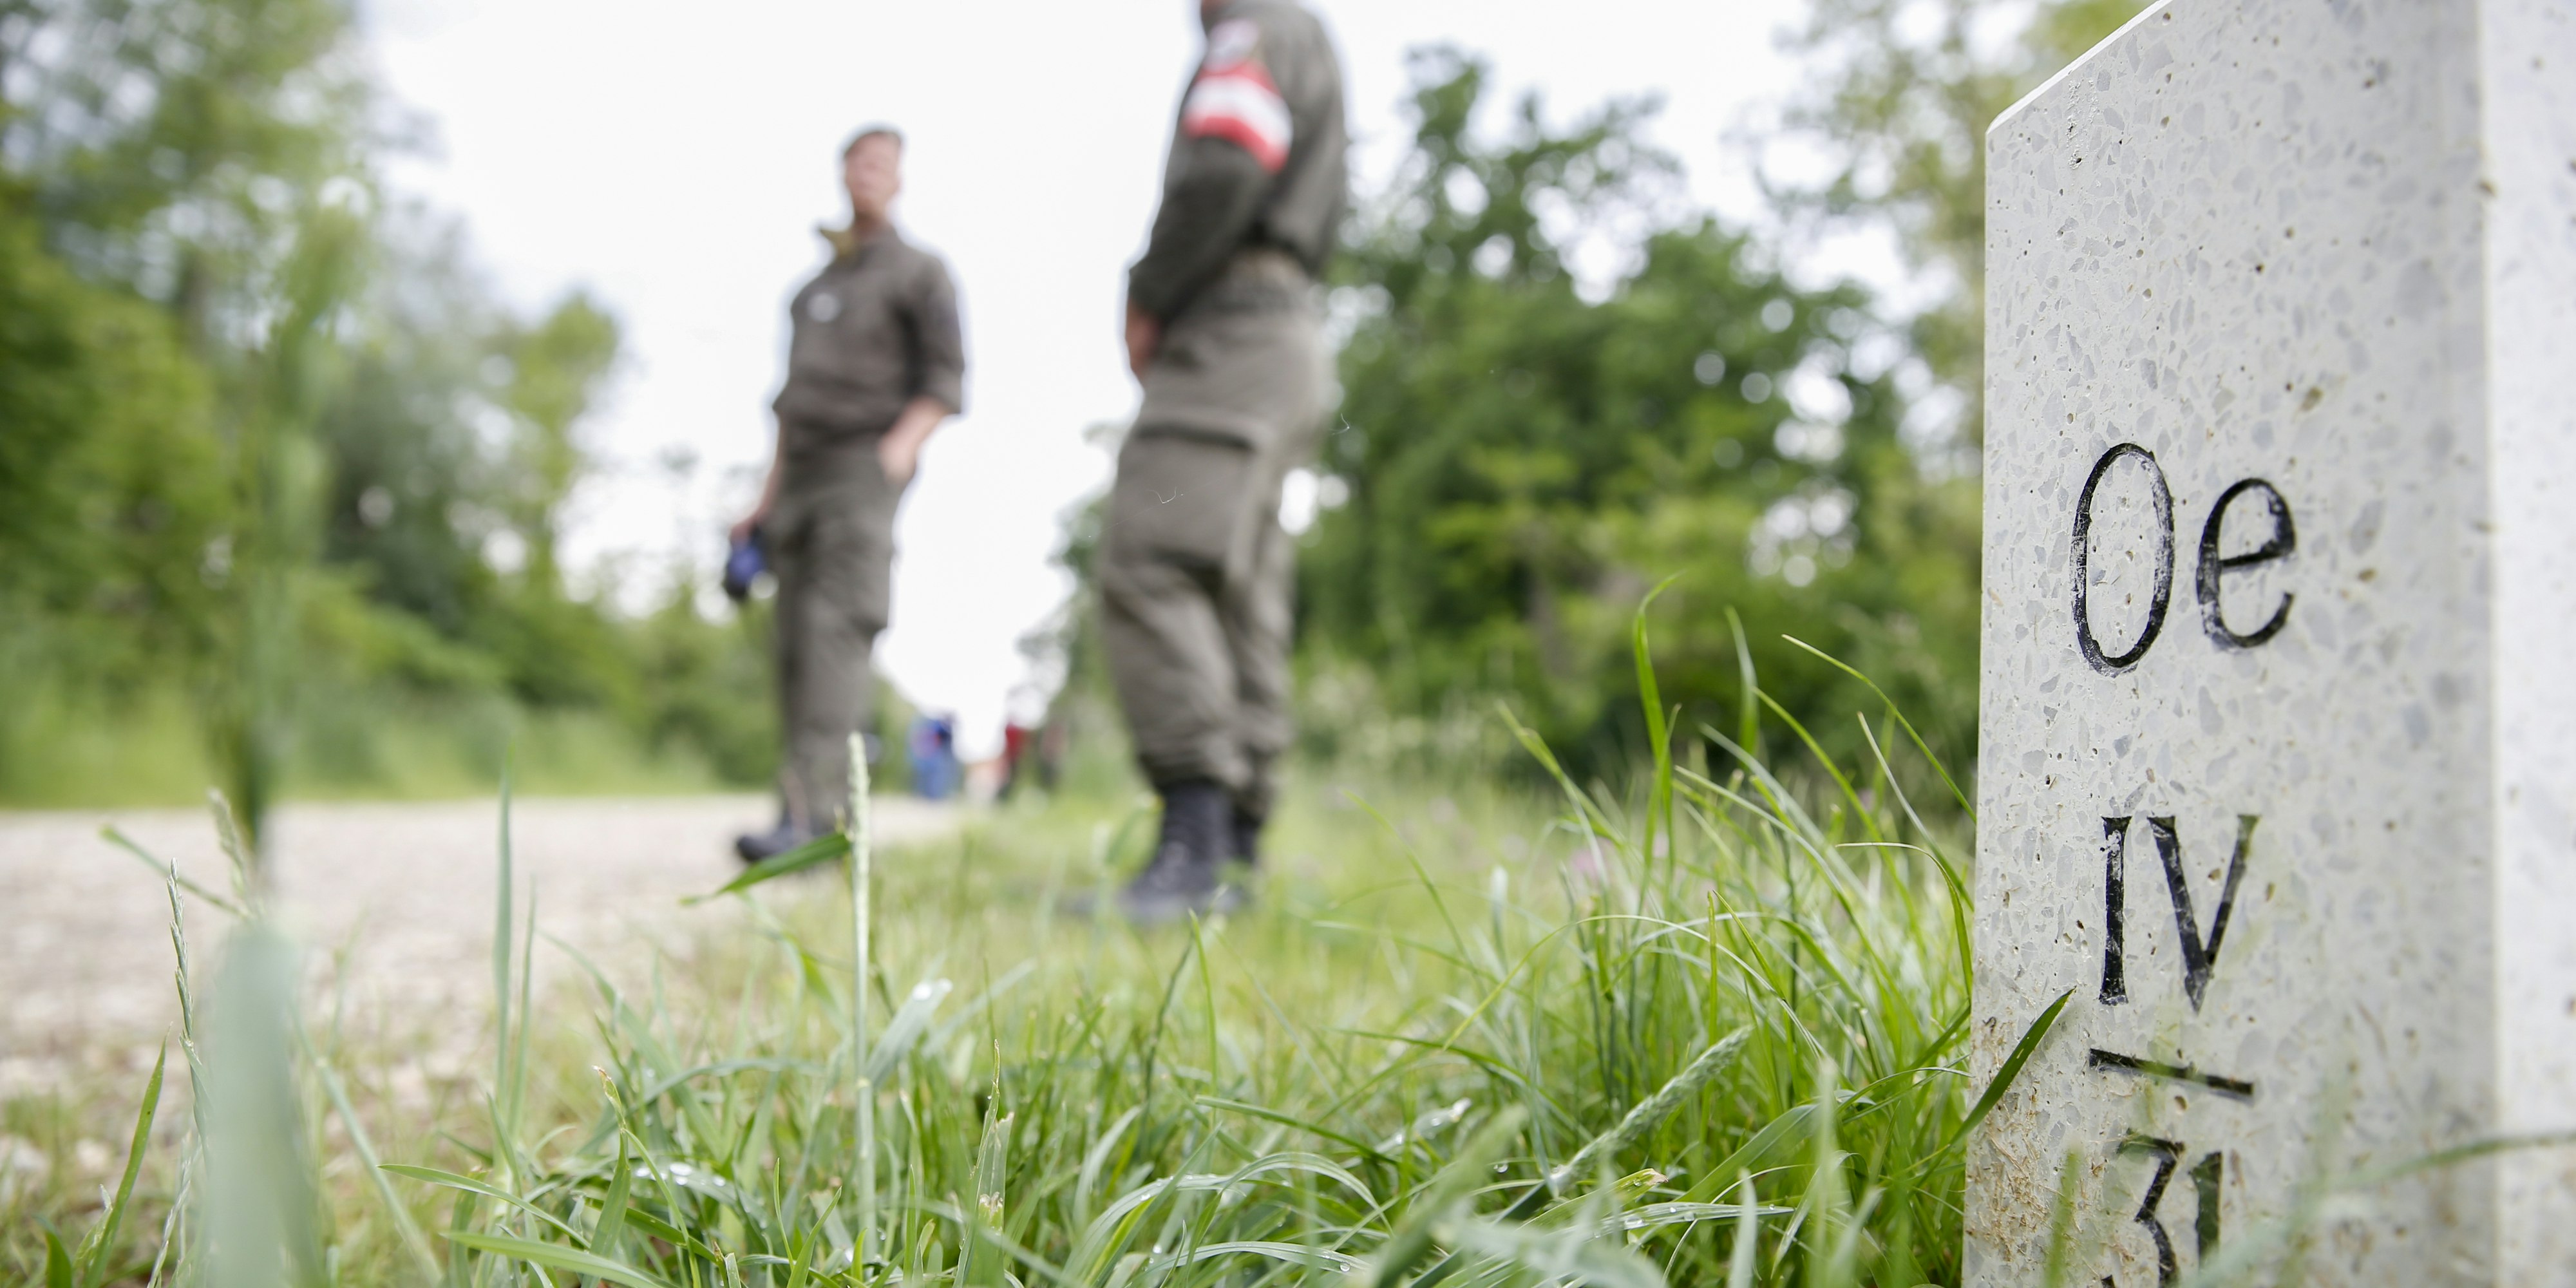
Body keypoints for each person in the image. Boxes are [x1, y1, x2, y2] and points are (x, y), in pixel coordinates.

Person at [1100, 0, 1347, 920]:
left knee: (1152, 556)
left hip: (1231, 327)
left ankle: (1195, 847)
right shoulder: (1299, 30)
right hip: (1282, 336)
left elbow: (1228, 158)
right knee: (1240, 588)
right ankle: (1233, 850)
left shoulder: (1253, 27)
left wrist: (1151, 289)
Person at [733, 126, 965, 862]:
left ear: (899, 180)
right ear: (841, 172)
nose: (869, 173)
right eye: (859, 161)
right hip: (798, 479)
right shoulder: (812, 292)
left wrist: (898, 448)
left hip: (861, 468)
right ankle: (799, 808)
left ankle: (819, 822)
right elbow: (787, 404)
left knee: (836, 631)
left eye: (882, 163)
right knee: (795, 642)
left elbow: (946, 378)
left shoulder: (920, 272)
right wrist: (764, 498)